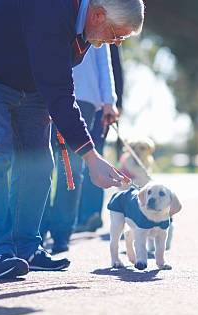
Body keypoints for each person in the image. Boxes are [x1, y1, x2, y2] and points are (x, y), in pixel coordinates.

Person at [0, 0, 144, 278]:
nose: (115, 43)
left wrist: (86, 150)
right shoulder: (52, 8)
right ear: (99, 15)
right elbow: (59, 93)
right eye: (117, 35)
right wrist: (91, 157)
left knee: (40, 163)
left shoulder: (88, 26)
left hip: (27, 80)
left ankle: (26, 247)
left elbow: (57, 83)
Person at [41, 44, 119, 253]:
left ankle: (61, 233)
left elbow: (104, 61)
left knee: (71, 169)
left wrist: (109, 101)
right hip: (45, 91)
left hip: (83, 97)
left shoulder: (98, 14)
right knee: (41, 164)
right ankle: (36, 231)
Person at [76, 44, 125, 233]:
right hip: (94, 100)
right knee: (88, 155)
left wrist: (115, 102)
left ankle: (89, 215)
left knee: (91, 156)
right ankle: (84, 214)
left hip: (97, 104)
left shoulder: (109, 31)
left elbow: (113, 68)